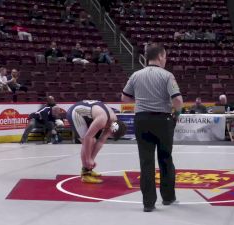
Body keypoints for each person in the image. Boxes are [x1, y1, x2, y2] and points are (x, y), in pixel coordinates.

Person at [121, 43, 183, 212]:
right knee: (165, 159)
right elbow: (177, 100)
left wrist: (142, 102)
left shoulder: (135, 75)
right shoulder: (167, 75)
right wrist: (176, 114)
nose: (166, 60)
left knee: (146, 162)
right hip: (162, 120)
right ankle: (168, 198)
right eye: (165, 57)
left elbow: (125, 99)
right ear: (161, 56)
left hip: (142, 120)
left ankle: (148, 203)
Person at [66, 100, 127, 184]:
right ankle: (85, 174)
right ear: (112, 128)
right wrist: (88, 159)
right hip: (76, 113)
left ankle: (88, 169)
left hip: (88, 115)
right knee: (89, 141)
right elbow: (88, 138)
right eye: (111, 134)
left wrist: (91, 159)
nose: (109, 134)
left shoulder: (114, 122)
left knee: (93, 141)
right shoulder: (103, 120)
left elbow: (101, 142)